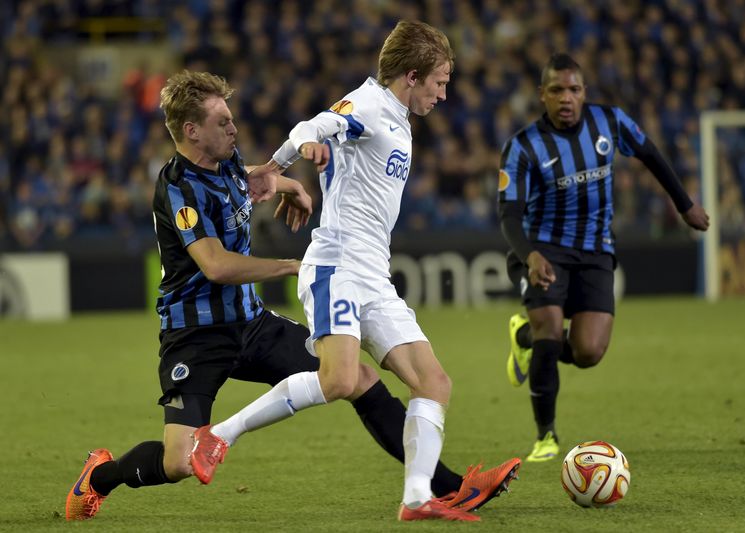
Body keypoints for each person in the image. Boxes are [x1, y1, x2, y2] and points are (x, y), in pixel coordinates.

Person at [65, 70, 518, 521]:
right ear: (191, 131)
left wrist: (288, 184)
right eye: (221, 121)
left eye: (230, 118)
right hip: (195, 335)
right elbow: (217, 266)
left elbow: (242, 180)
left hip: (253, 325)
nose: (233, 128)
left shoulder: (223, 161)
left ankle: (448, 488)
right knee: (179, 462)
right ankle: (99, 477)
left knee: (355, 378)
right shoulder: (178, 188)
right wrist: (292, 265)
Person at [190, 21, 520, 522]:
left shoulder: (398, 119)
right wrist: (283, 163)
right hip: (336, 267)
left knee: (434, 383)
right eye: (440, 81)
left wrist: (280, 167)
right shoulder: (366, 105)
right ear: (412, 76)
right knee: (340, 379)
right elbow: (311, 128)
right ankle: (218, 436)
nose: (445, 93)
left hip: (373, 277)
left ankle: (417, 497)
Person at [498, 53, 709, 463]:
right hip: (545, 248)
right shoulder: (522, 147)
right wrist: (531, 255)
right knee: (549, 327)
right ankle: (546, 436)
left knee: (589, 352)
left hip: (596, 249)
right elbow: (508, 214)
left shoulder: (609, 122)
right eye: (557, 90)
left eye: (574, 89)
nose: (566, 98)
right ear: (542, 95)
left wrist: (684, 206)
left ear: (584, 93)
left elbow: (651, 155)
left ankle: (523, 337)